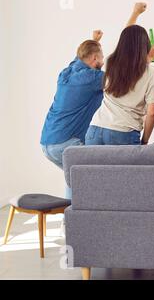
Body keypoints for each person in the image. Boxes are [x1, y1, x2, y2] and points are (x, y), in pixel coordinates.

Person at [86, 2, 154, 146]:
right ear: (145, 46)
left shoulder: (111, 62)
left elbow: (128, 42)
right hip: (124, 132)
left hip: (95, 129)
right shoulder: (152, 73)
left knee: (92, 170)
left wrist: (135, 13)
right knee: (128, 170)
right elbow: (152, 113)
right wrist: (145, 141)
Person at [40, 30, 105, 199]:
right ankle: (74, 220)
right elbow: (120, 72)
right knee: (97, 176)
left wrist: (94, 41)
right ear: (95, 59)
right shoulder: (92, 77)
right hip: (66, 143)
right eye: (102, 57)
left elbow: (80, 57)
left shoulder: (67, 72)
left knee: (76, 178)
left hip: (47, 143)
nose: (103, 61)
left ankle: (70, 221)